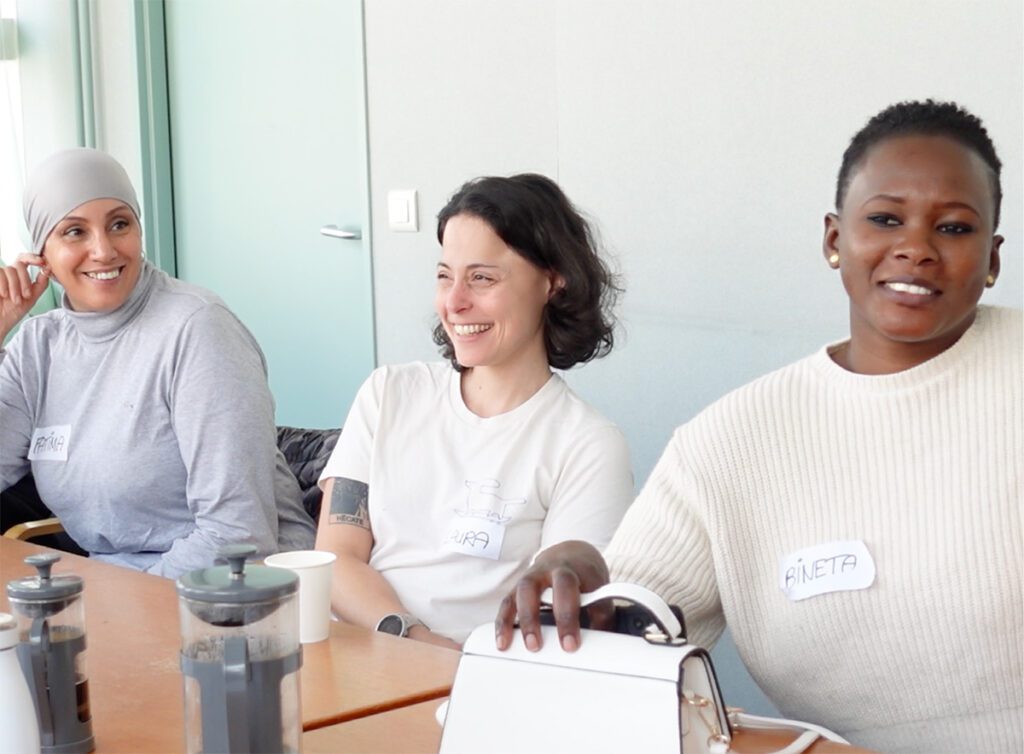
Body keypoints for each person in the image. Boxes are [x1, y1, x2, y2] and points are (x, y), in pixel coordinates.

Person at [496, 101, 1022, 754]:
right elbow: (629, 618)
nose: (915, 248)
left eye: (954, 227)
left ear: (993, 257)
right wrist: (583, 576)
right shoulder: (730, 442)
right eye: (885, 218)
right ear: (834, 239)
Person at [315, 174, 634, 649]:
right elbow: (336, 559)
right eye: (445, 276)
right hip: (367, 658)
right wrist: (411, 637)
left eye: (482, 278)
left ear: (553, 281)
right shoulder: (388, 394)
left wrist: (450, 664)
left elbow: (556, 622)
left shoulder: (586, 443)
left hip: (483, 681)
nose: (455, 302)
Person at [0, 147, 315, 577]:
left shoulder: (198, 329)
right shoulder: (38, 345)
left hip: (237, 590)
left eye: (119, 224)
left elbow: (238, 535)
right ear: (42, 256)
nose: (104, 250)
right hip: (117, 591)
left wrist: (117, 609)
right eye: (74, 232)